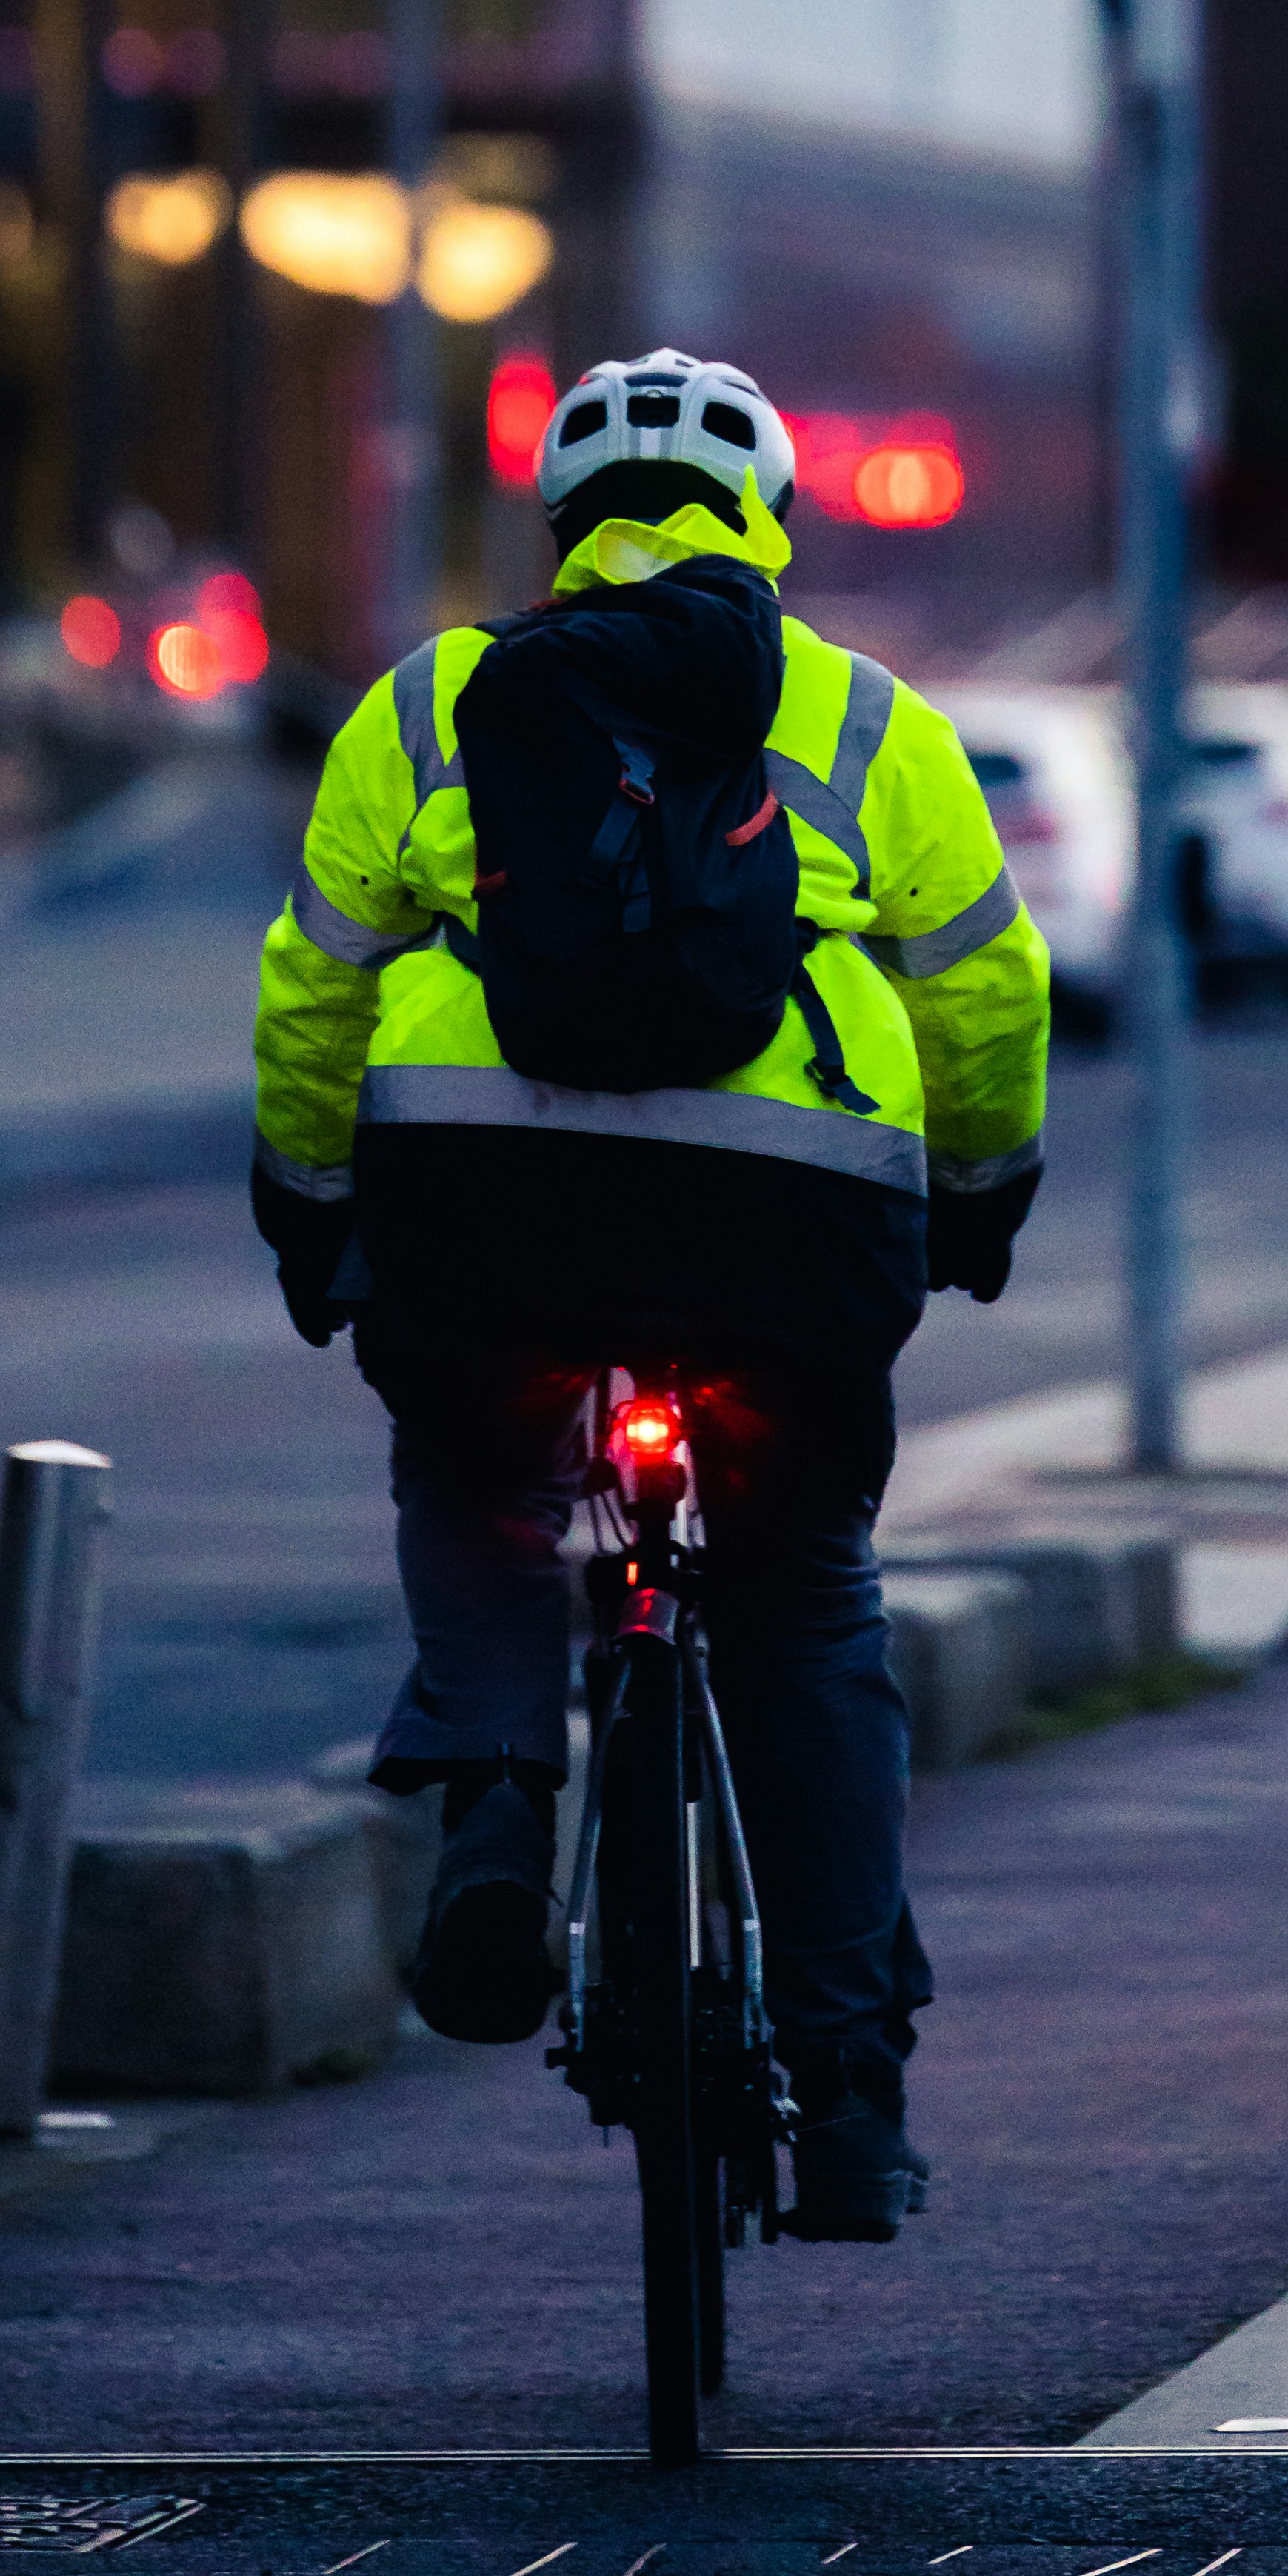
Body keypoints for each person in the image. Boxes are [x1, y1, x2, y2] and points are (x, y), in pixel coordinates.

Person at [248, 350, 1047, 2238]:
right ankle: (849, 2088)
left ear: (561, 519)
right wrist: (977, 1192)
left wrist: (309, 1203)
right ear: (768, 508)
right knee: (796, 1600)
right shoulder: (868, 724)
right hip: (791, 1223)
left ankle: (500, 1814)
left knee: (481, 1467)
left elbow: (314, 984)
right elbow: (986, 989)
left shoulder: (436, 700)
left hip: (487, 1197)